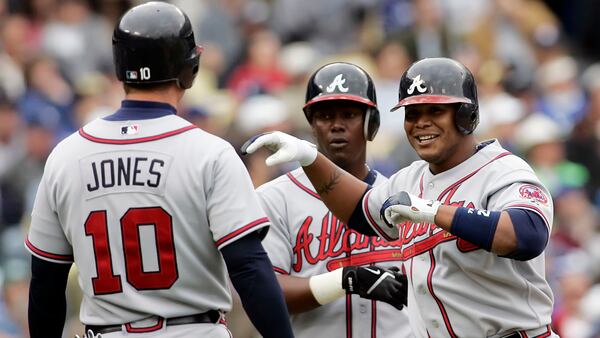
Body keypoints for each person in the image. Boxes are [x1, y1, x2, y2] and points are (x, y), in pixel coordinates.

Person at [25, 3, 294, 338]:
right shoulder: (209, 152)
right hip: (193, 331)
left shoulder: (66, 155)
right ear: (190, 66)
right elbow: (249, 269)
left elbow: (45, 285)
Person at [243, 57, 558, 337]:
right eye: (413, 113)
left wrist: (433, 211)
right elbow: (358, 211)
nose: (421, 122)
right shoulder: (409, 179)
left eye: (436, 110)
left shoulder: (501, 169)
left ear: (466, 115)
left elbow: (527, 234)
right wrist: (308, 157)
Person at [256, 62, 413, 338]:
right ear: (312, 124)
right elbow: (263, 292)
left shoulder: (401, 196)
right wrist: (344, 280)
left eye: (349, 114)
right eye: (325, 116)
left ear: (371, 123)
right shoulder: (273, 198)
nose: (337, 125)